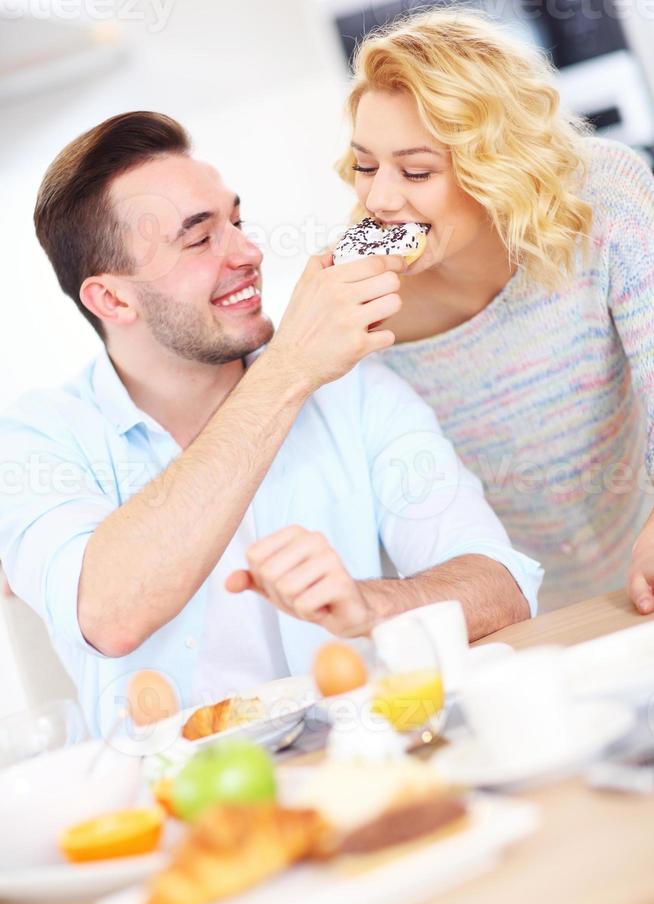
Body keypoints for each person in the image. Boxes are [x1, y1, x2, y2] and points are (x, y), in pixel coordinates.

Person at [0, 112, 540, 733]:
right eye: (200, 240)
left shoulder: (354, 393)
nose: (250, 253)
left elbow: (503, 584)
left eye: (237, 222)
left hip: (377, 767)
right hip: (184, 815)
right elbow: (109, 613)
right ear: (112, 300)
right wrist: (285, 370)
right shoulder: (37, 440)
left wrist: (373, 605)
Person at [336, 9, 654, 613]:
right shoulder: (360, 288)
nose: (378, 199)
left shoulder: (606, 198)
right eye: (366, 165)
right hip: (503, 614)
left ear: (497, 165)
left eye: (416, 170)